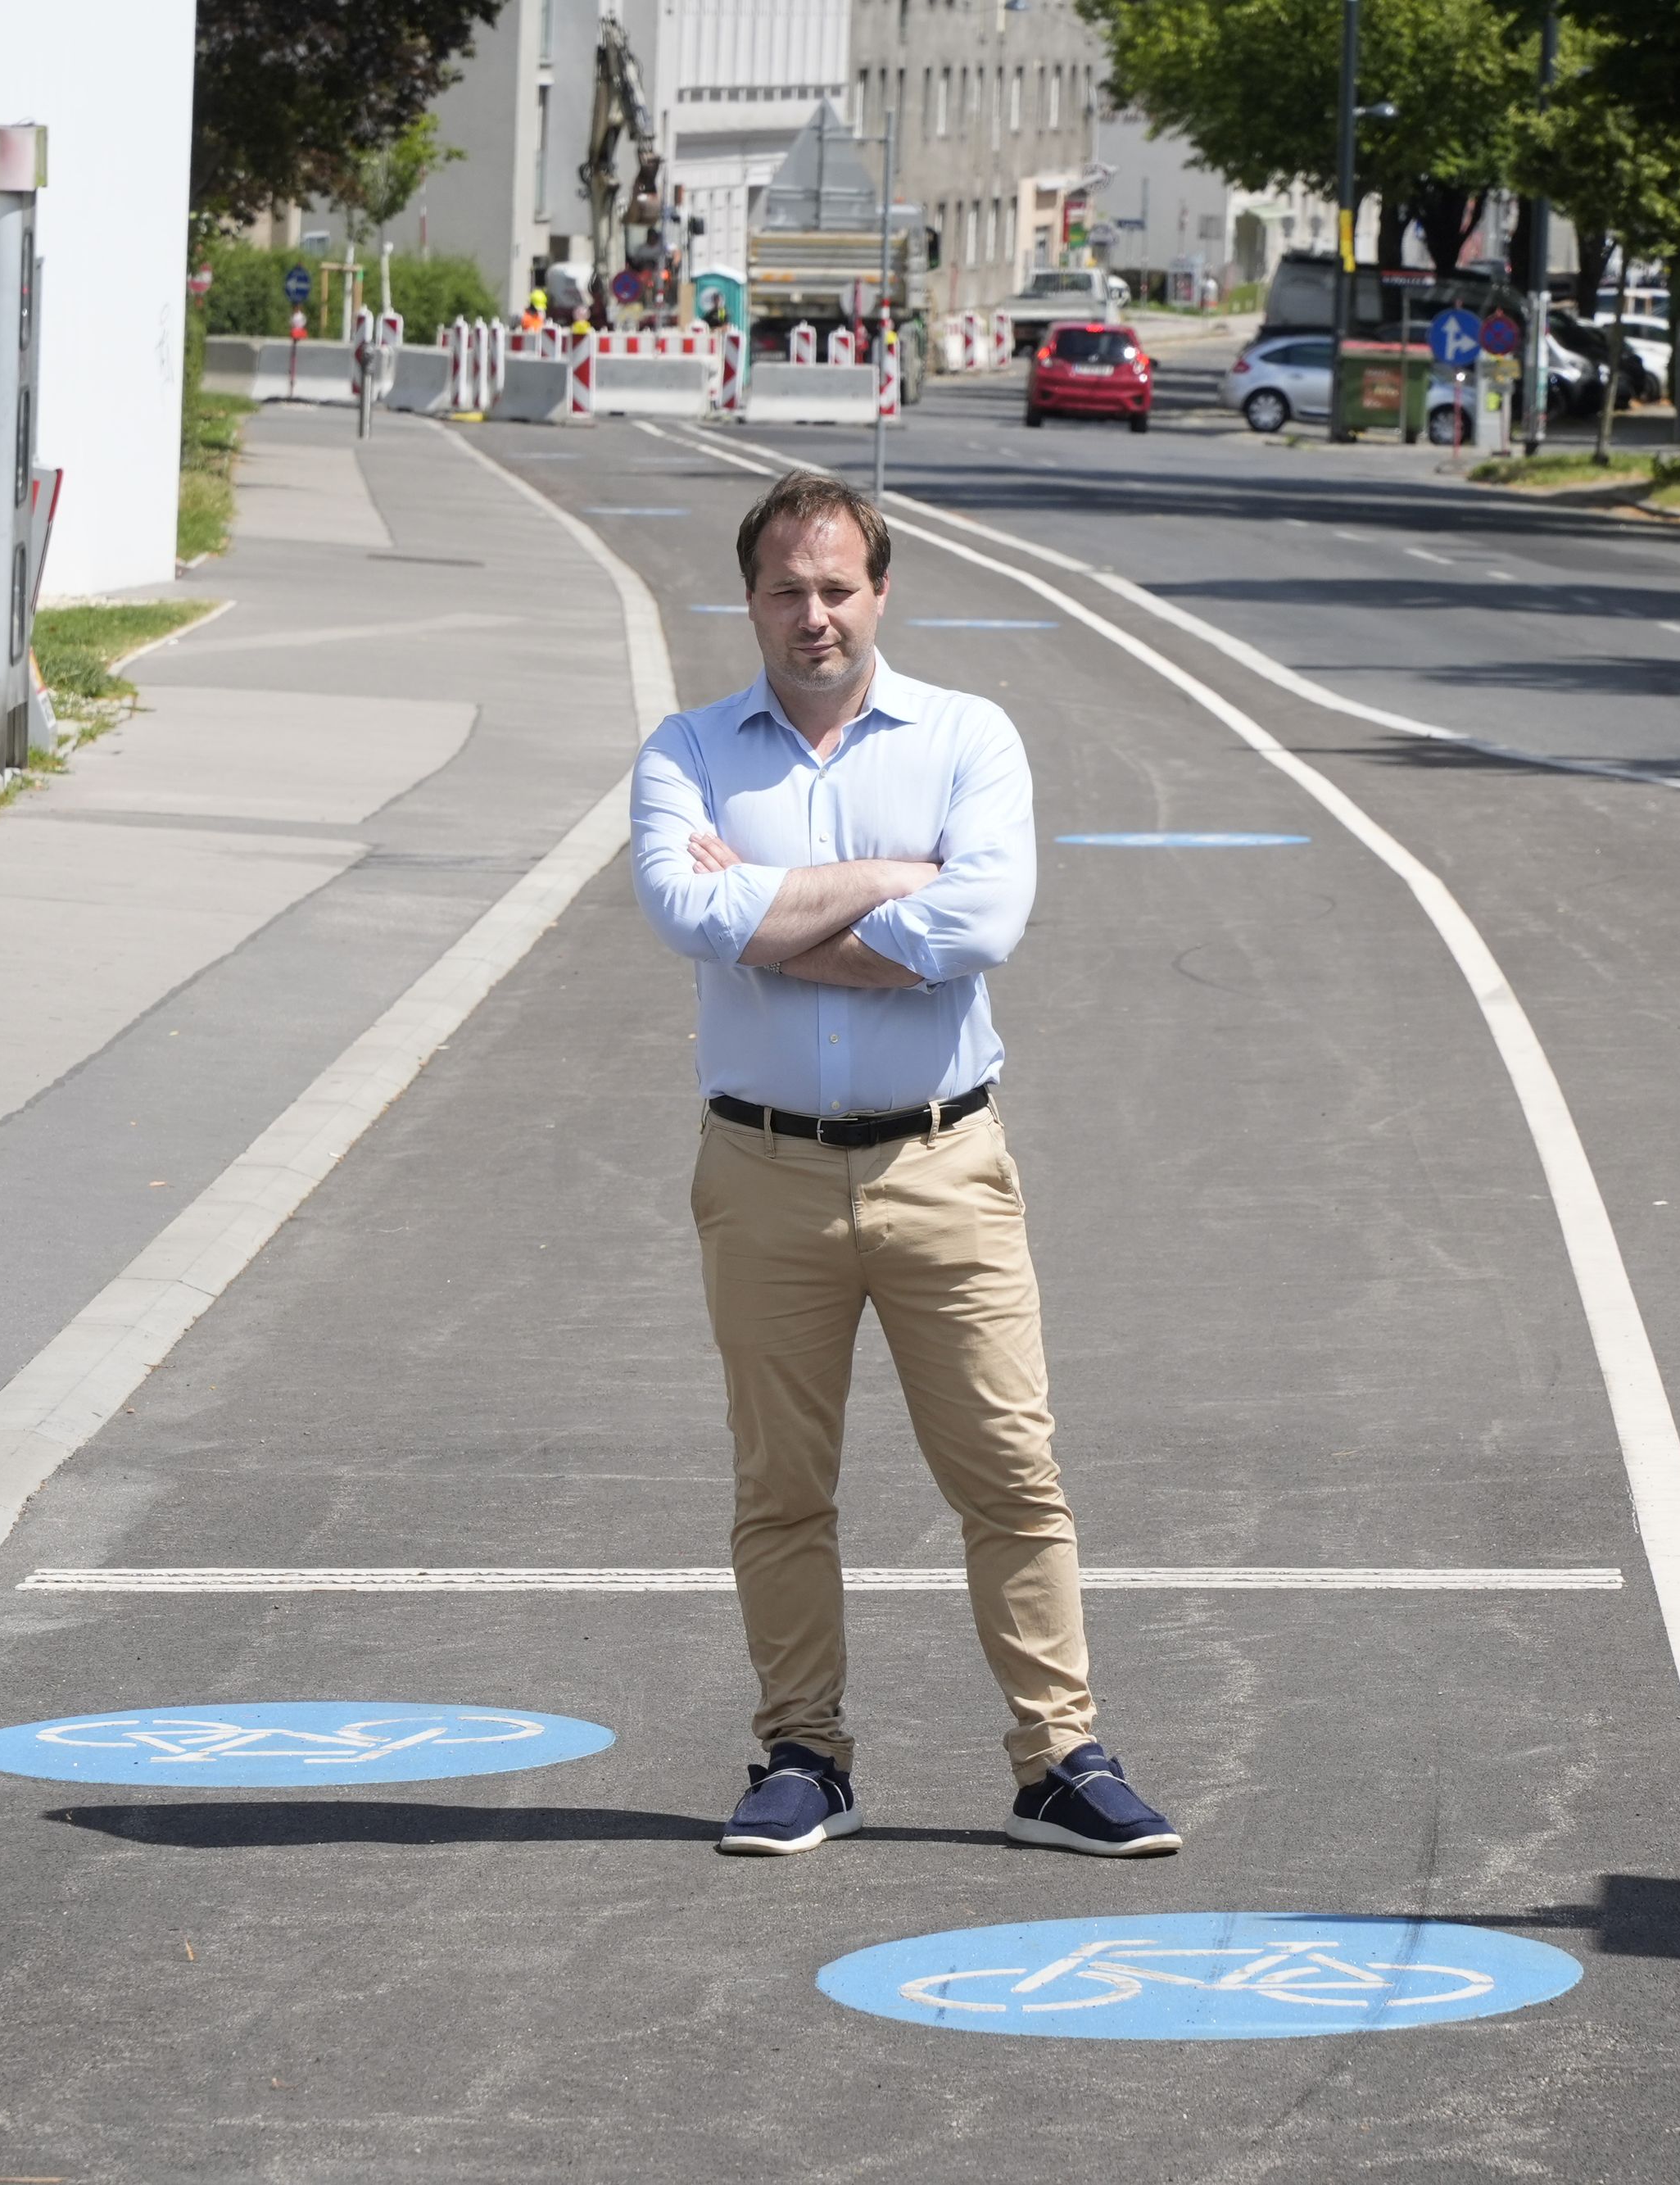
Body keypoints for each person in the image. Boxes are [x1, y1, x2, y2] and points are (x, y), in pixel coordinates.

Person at [629, 471, 1180, 1861]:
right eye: (783, 590)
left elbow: (981, 918)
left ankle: (1058, 1759)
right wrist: (892, 878)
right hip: (762, 1173)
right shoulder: (687, 751)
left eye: (836, 588)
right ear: (746, 596)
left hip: (945, 1166)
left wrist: (766, 920)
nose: (811, 615)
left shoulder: (966, 737)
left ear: (880, 593)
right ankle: (803, 1756)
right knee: (781, 1486)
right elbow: (683, 908)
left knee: (1010, 1471)